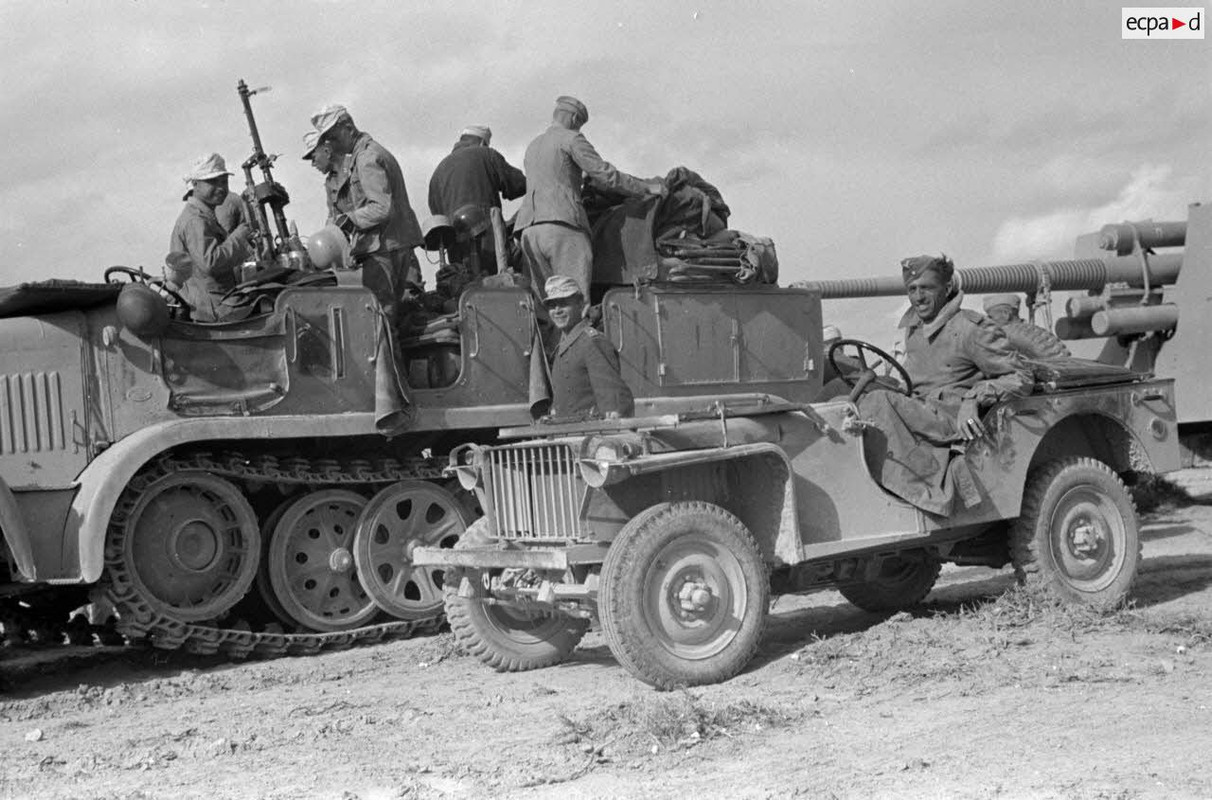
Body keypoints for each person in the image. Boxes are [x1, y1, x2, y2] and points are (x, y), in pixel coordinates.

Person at [857, 254, 1033, 515]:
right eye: (912, 289)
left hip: (952, 420)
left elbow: (1021, 376)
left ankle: (926, 494)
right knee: (849, 398)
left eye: (927, 288)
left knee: (876, 402)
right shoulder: (915, 328)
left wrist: (974, 398)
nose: (918, 297)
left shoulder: (970, 328)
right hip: (924, 413)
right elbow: (919, 381)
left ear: (947, 287)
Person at [515, 96, 664, 298]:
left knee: (545, 304)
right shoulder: (571, 139)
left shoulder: (533, 145)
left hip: (529, 232)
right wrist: (645, 188)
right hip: (562, 225)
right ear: (574, 118)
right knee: (574, 298)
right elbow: (605, 174)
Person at [312, 104, 425, 326]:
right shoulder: (366, 154)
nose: (331, 145)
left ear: (348, 128)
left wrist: (348, 221)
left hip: (384, 249)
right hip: (394, 243)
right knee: (395, 321)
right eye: (327, 141)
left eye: (333, 138)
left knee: (378, 322)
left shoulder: (366, 158)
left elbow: (382, 207)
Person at [427, 125, 526, 274]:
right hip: (489, 241)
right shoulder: (486, 154)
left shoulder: (437, 173)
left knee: (465, 281)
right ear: (482, 143)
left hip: (456, 250)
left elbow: (437, 215)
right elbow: (517, 184)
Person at [168, 153, 254, 322]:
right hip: (211, 311)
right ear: (195, 184)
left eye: (224, 182)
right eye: (213, 182)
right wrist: (240, 237)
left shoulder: (204, 216)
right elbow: (210, 262)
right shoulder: (195, 220)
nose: (221, 188)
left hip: (212, 304)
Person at [544, 275, 633, 419]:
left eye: (564, 303)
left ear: (581, 304)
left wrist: (615, 420)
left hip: (590, 429)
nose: (557, 310)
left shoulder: (592, 342)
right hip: (568, 428)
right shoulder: (563, 346)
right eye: (552, 306)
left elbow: (613, 397)